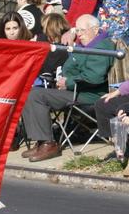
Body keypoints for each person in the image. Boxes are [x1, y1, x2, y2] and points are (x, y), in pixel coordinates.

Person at [20, 14, 114, 162]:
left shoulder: (101, 46)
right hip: (74, 89)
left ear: (95, 30)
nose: (79, 34)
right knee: (28, 93)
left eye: (82, 30)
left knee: (36, 96)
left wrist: (68, 82)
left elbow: (94, 77)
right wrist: (63, 79)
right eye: (77, 30)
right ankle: (40, 141)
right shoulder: (85, 45)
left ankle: (48, 144)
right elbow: (70, 66)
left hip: (88, 95)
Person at [33, 13, 69, 89]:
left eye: (44, 27)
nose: (43, 30)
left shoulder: (66, 43)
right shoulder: (42, 39)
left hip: (52, 82)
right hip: (41, 80)